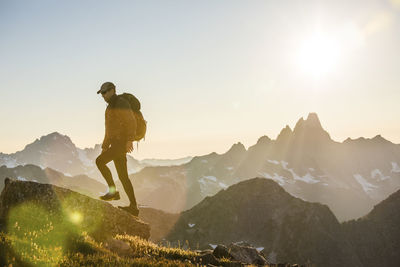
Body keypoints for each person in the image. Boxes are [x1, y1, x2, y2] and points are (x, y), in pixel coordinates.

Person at [95, 81, 139, 216]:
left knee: (99, 162)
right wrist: (105, 146)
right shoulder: (109, 108)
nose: (102, 95)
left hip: (120, 144)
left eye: (104, 92)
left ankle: (113, 192)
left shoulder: (120, 102)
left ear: (113, 90)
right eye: (101, 93)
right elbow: (108, 130)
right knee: (123, 176)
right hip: (115, 144)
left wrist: (130, 140)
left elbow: (131, 121)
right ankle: (134, 207)